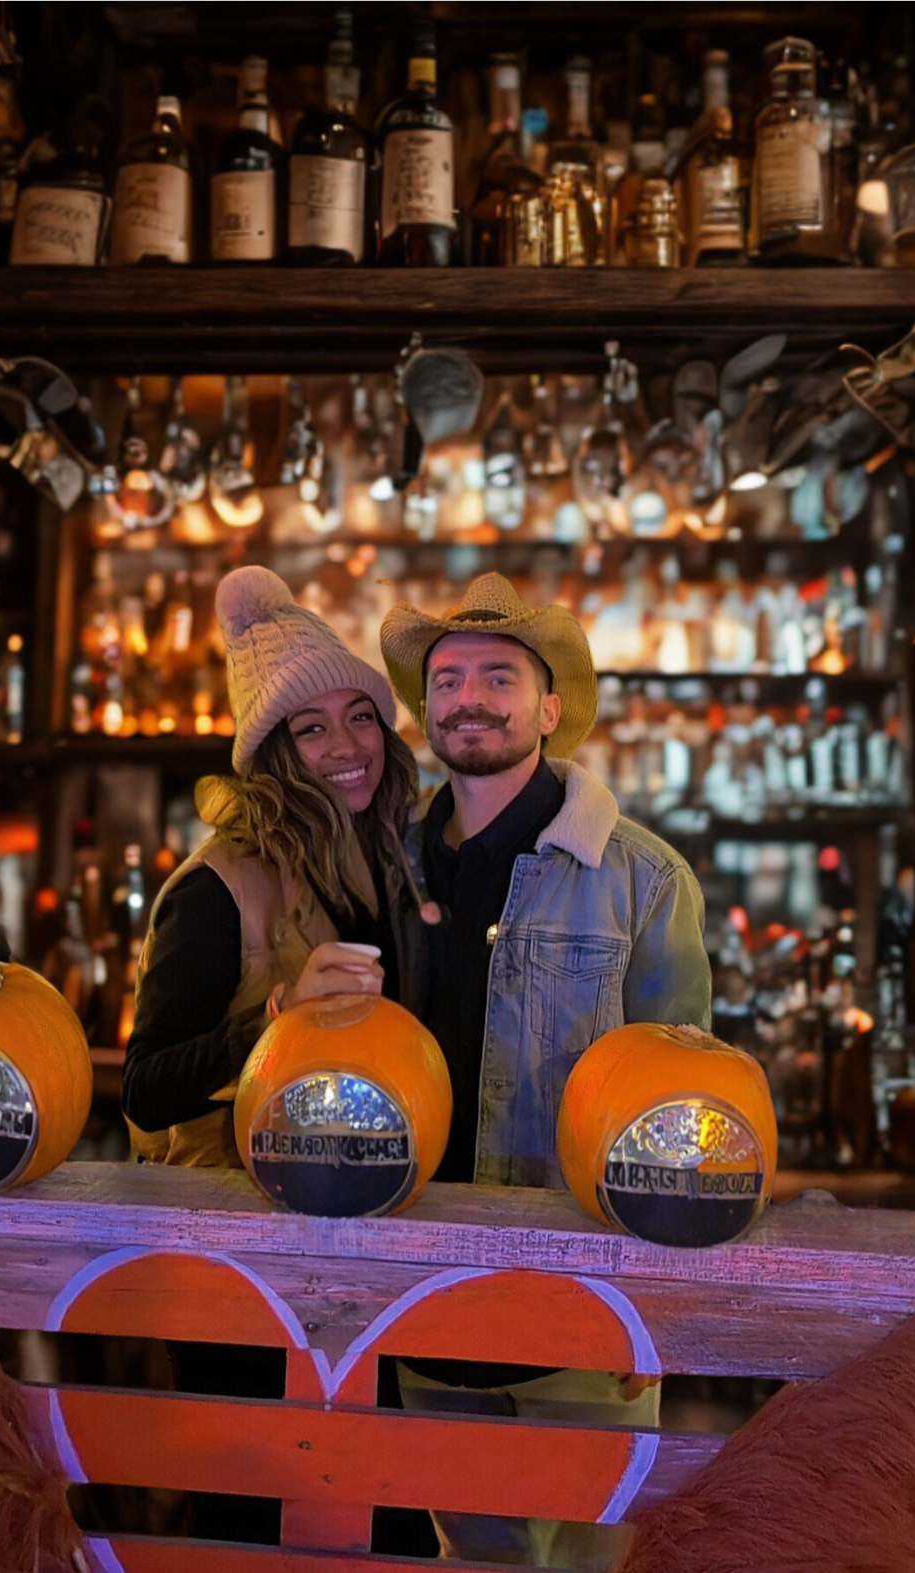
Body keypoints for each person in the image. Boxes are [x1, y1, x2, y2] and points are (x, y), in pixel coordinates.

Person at [380, 571, 712, 1571]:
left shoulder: (642, 877)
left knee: (588, 1559)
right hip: (425, 1286)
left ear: (550, 708)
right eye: (445, 681)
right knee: (471, 1557)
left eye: (496, 677)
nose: (467, 698)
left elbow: (683, 1110)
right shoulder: (383, 866)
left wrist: (656, 1302)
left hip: (586, 1299)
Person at [121, 563, 430, 1546]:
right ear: (273, 755)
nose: (346, 745)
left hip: (356, 1256)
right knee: (251, 1529)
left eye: (361, 716)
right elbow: (148, 1083)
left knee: (371, 1524)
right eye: (312, 728)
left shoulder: (383, 861)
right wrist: (280, 1016)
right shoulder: (218, 887)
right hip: (237, 1270)